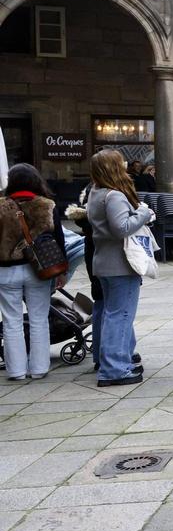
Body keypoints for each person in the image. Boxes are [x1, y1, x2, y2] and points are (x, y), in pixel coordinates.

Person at [0, 164, 67, 382]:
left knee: (11, 321)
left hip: (6, 271)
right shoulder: (47, 205)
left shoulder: (1, 206)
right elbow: (59, 239)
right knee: (39, 319)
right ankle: (38, 368)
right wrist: (61, 270)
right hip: (39, 269)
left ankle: (16, 371)